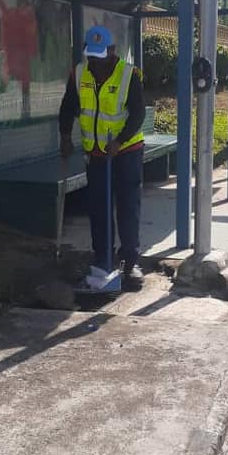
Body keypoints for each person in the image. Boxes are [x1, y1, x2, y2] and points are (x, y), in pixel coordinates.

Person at [59, 25, 145, 288]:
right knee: (98, 208)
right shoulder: (79, 73)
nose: (94, 61)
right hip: (96, 153)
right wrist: (64, 137)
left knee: (128, 205)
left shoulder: (129, 75)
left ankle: (130, 261)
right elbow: (68, 108)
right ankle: (102, 259)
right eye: (91, 55)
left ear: (112, 50)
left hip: (126, 151)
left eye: (99, 55)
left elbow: (138, 113)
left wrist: (119, 142)